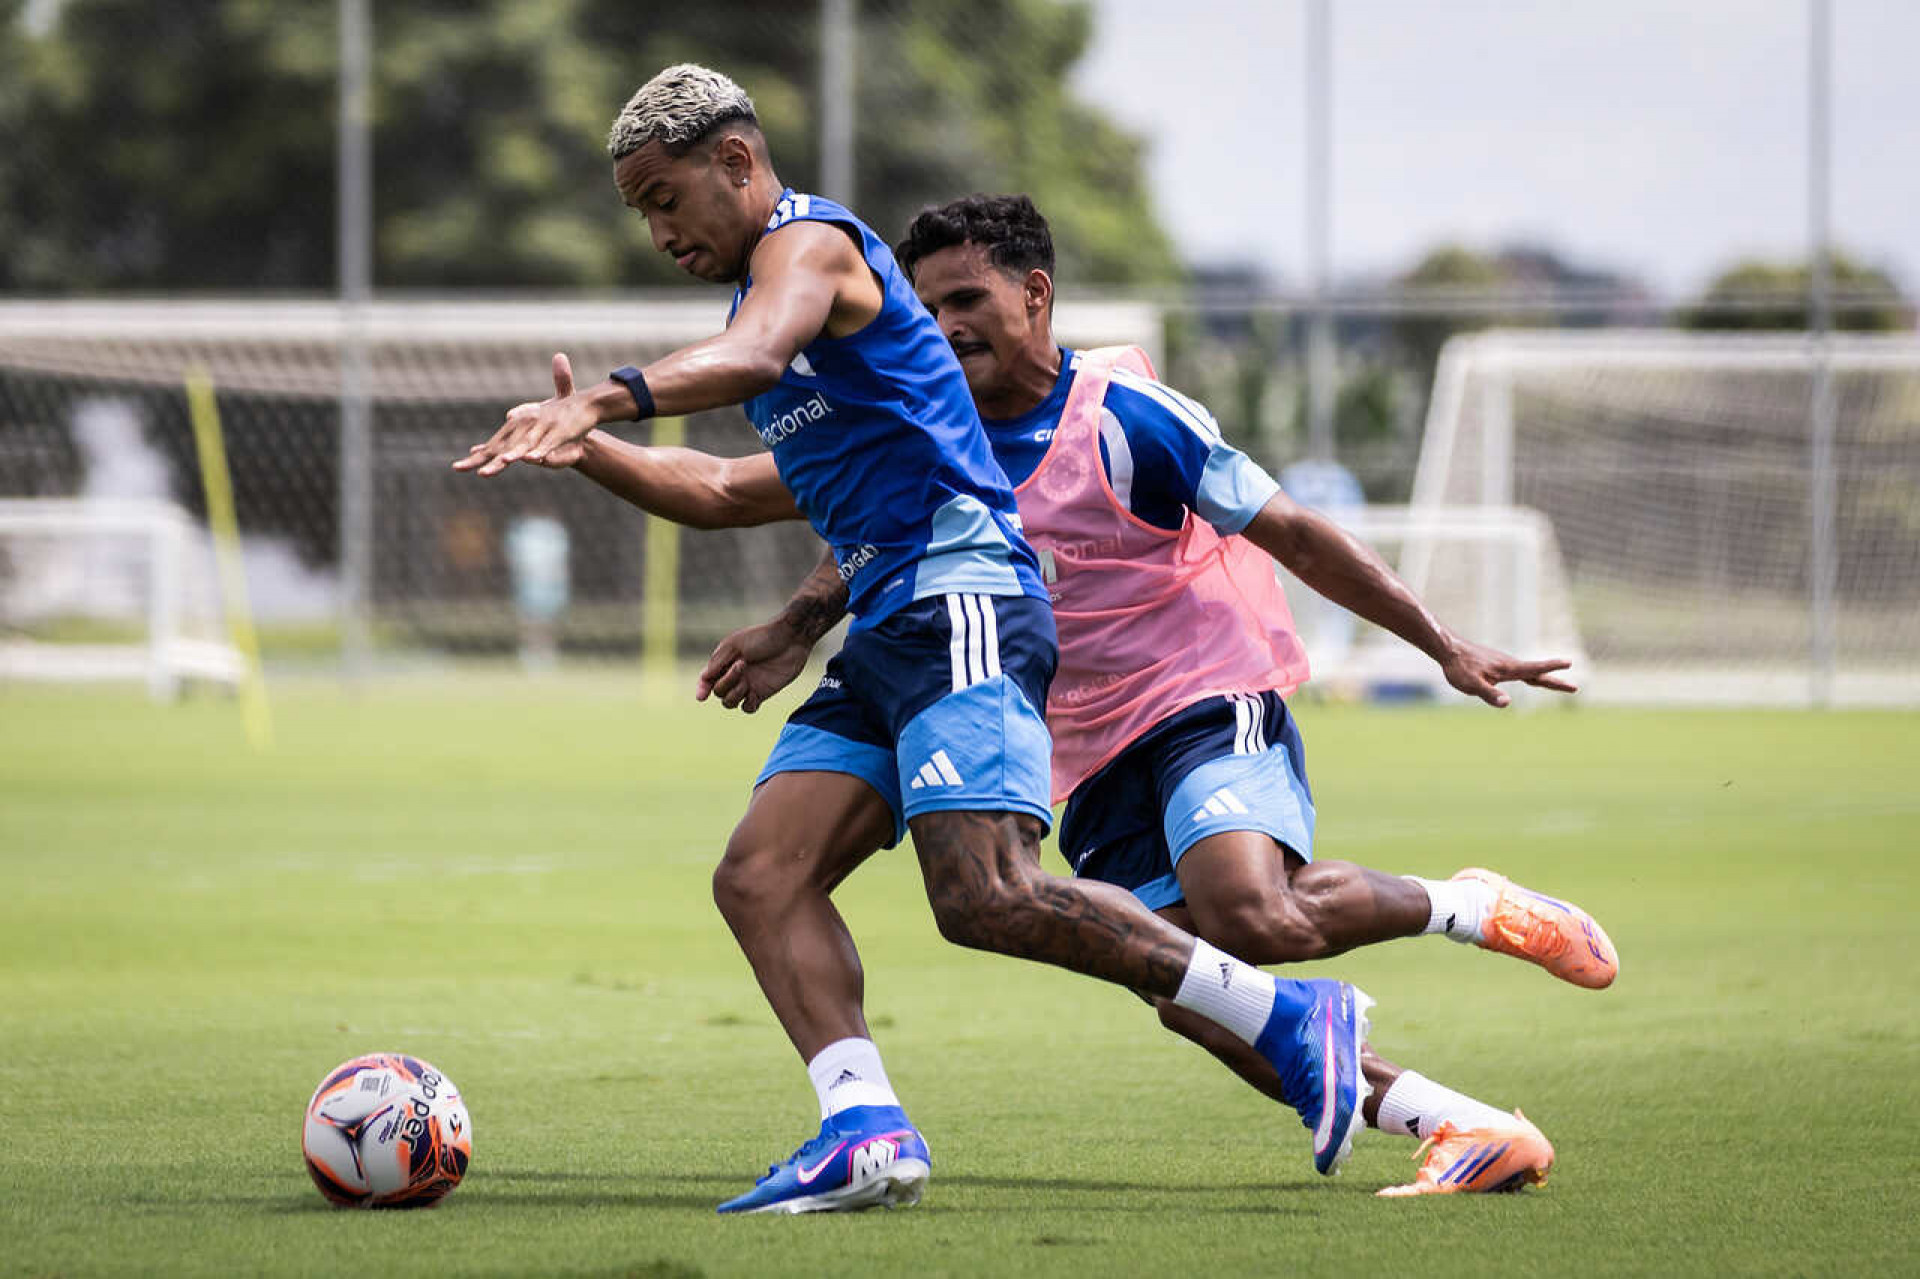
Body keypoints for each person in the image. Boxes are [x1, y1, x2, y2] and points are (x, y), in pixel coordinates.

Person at [548, 187, 1619, 1197]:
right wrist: (788, 622)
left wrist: (1442, 644)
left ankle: (1466, 904)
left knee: (1250, 911)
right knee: (1190, 989)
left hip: (1200, 690)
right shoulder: (919, 420)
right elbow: (802, 507)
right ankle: (1458, 1123)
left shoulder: (1128, 415)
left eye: (968, 300)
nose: (947, 326)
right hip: (1074, 734)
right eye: (928, 308)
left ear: (1037, 295)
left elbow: (1290, 528)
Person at [454, 64, 1376, 1215]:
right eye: (638, 211)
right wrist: (584, 449)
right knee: (761, 875)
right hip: (888, 629)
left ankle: (1289, 1018)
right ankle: (864, 1128)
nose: (655, 231)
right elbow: (717, 489)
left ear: (736, 163)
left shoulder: (814, 250)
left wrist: (602, 399)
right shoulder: (779, 323)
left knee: (985, 894)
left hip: (965, 601)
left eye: (665, 198)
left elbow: (743, 361)